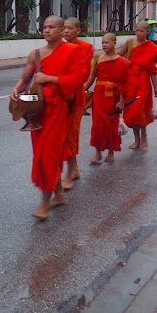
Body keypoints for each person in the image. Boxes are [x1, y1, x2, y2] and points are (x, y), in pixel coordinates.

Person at [10, 16, 85, 219]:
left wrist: (50, 78)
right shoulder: (36, 54)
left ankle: (44, 203)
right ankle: (58, 195)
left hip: (57, 111)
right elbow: (25, 79)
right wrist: (17, 89)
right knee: (43, 154)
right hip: (38, 112)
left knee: (47, 156)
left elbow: (77, 80)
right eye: (44, 27)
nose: (47, 30)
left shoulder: (72, 51)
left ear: (62, 31)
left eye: (52, 27)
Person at [84, 33, 130, 163]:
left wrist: (121, 101)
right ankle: (98, 153)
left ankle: (111, 152)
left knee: (111, 123)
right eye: (102, 42)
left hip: (113, 97)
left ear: (114, 43)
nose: (104, 45)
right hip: (99, 96)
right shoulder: (99, 58)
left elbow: (123, 83)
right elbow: (92, 76)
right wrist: (82, 90)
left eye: (107, 42)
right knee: (97, 124)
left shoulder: (122, 62)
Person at [119, 21, 157, 149]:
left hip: (143, 82)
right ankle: (136, 139)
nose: (138, 33)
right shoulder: (130, 43)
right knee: (132, 112)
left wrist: (156, 88)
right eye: (137, 30)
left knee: (140, 110)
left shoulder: (151, 48)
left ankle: (144, 136)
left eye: (141, 31)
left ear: (147, 32)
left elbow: (152, 71)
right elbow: (119, 57)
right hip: (129, 80)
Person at [61, 17, 93, 190]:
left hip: (74, 96)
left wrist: (60, 80)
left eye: (70, 28)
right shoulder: (58, 47)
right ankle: (74, 169)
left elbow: (82, 73)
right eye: (64, 28)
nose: (66, 31)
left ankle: (69, 172)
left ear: (78, 30)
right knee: (62, 135)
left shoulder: (85, 48)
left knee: (71, 134)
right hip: (59, 96)